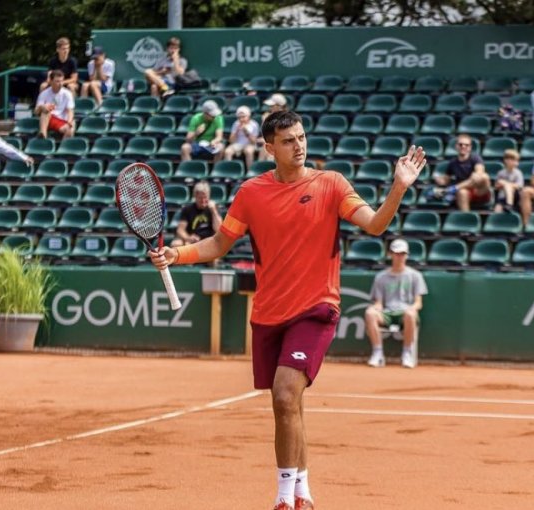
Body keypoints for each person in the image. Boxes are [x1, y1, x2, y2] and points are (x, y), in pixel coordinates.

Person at [148, 111, 426, 510]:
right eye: (288, 140)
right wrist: (177, 253)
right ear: (268, 148)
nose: (299, 145)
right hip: (269, 312)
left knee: (284, 393)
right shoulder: (251, 192)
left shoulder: (331, 184)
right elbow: (218, 245)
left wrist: (398, 188)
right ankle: (303, 492)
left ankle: (282, 498)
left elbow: (376, 225)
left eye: (301, 137)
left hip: (317, 307)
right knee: (290, 405)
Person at [365, 238, 427, 369]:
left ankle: (407, 353)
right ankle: (378, 353)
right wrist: (375, 308)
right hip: (386, 313)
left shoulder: (415, 276)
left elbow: (418, 303)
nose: (399, 257)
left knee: (410, 314)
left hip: (405, 314)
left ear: (407, 255)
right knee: (370, 313)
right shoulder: (380, 277)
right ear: (390, 254)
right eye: (397, 253)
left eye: (402, 254)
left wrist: (411, 309)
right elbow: (379, 303)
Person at [432, 134, 490, 211]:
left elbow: (479, 173)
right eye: (460, 144)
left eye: (466, 145)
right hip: (463, 192)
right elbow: (446, 179)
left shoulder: (475, 158)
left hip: (479, 191)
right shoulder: (453, 162)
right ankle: (466, 219)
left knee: (483, 176)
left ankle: (453, 189)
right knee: (462, 192)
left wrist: (455, 188)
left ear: (470, 147)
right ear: (456, 146)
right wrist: (440, 180)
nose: (463, 147)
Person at [171, 181, 222, 248]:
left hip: (209, 241)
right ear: (195, 197)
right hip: (193, 241)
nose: (203, 201)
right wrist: (188, 238)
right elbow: (180, 230)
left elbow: (218, 229)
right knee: (176, 244)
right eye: (200, 198)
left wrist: (213, 211)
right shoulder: (187, 209)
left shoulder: (213, 209)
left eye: (205, 198)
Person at [35, 69, 75, 139]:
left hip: (61, 120)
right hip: (48, 118)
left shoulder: (67, 94)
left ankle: (62, 148)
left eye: (61, 81)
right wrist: (42, 107)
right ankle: (43, 136)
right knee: (45, 111)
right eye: (57, 81)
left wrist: (69, 122)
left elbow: (70, 111)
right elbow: (36, 111)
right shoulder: (44, 93)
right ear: (51, 81)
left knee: (70, 129)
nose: (60, 84)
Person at [224, 106, 261, 171]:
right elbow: (231, 140)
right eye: (239, 117)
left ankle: (250, 172)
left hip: (250, 144)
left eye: (243, 117)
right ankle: (229, 172)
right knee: (227, 151)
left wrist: (246, 132)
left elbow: (254, 141)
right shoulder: (236, 124)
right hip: (238, 144)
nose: (241, 119)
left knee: (248, 151)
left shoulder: (254, 124)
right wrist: (236, 131)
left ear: (248, 116)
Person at [259, 94, 289, 161]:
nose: (270, 108)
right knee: (265, 149)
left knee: (270, 156)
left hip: (284, 144)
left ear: (279, 106)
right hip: (273, 143)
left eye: (272, 106)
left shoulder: (287, 117)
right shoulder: (267, 116)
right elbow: (265, 133)